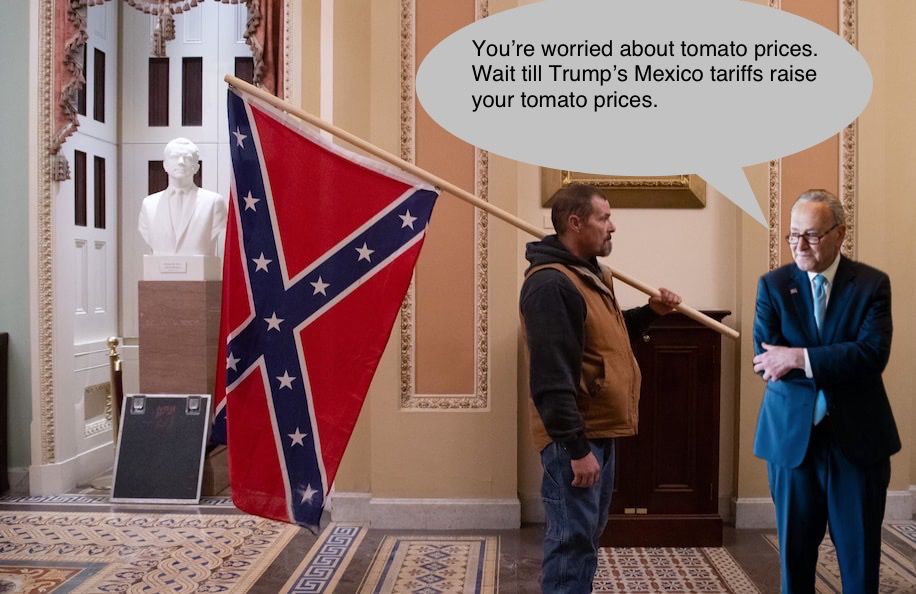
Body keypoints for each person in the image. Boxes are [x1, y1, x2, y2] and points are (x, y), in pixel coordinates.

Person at [520, 183, 681, 593]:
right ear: (575, 223)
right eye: (603, 218)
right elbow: (552, 378)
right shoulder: (551, 285)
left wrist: (650, 313)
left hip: (597, 433)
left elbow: (605, 335)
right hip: (575, 439)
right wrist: (576, 450)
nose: (613, 227)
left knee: (585, 539)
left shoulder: (591, 274)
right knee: (571, 542)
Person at [752, 189, 899, 594]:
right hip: (792, 441)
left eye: (812, 236)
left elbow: (870, 356)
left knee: (859, 557)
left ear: (840, 234)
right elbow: (765, 360)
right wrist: (832, 357)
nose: (800, 245)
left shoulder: (871, 285)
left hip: (858, 439)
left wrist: (799, 357)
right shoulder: (774, 286)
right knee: (795, 558)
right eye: (793, 235)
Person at [138, 138, 227, 257]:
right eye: (175, 157)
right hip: (159, 272)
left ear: (196, 167)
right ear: (165, 165)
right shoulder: (149, 204)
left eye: (188, 158)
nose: (181, 162)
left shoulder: (214, 202)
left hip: (200, 272)